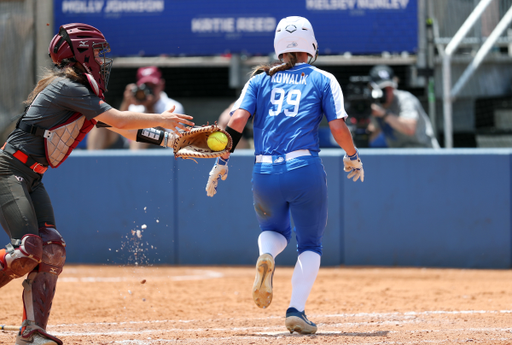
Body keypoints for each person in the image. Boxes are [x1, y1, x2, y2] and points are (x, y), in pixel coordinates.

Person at [0, 23, 194, 345]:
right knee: (26, 249)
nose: (103, 59)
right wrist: (162, 119)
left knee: (52, 250)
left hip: (32, 176)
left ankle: (31, 331)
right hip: (8, 170)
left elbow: (126, 130)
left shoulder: (82, 93)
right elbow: (120, 120)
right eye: (98, 52)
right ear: (80, 53)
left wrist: (172, 140)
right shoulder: (66, 86)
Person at [205, 16, 364, 334]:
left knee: (274, 230)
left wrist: (221, 161)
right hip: (303, 169)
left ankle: (266, 254)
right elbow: (337, 127)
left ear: (279, 47)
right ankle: (296, 310)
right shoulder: (322, 79)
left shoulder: (259, 79)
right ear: (312, 46)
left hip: (263, 171)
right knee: (310, 244)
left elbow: (236, 122)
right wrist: (352, 156)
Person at [367, 64, 440, 148]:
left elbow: (410, 128)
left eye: (390, 87)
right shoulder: (375, 105)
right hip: (399, 155)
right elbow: (372, 134)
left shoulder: (405, 99)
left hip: (424, 152)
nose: (388, 92)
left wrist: (384, 114)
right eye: (383, 89)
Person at [119, 66, 185, 150]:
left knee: (144, 128)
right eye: (146, 86)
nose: (149, 91)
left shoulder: (173, 106)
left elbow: (175, 142)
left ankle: (134, 161)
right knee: (101, 120)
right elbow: (119, 128)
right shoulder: (134, 106)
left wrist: (149, 108)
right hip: (133, 147)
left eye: (153, 86)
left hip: (164, 152)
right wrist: (126, 103)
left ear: (161, 85)